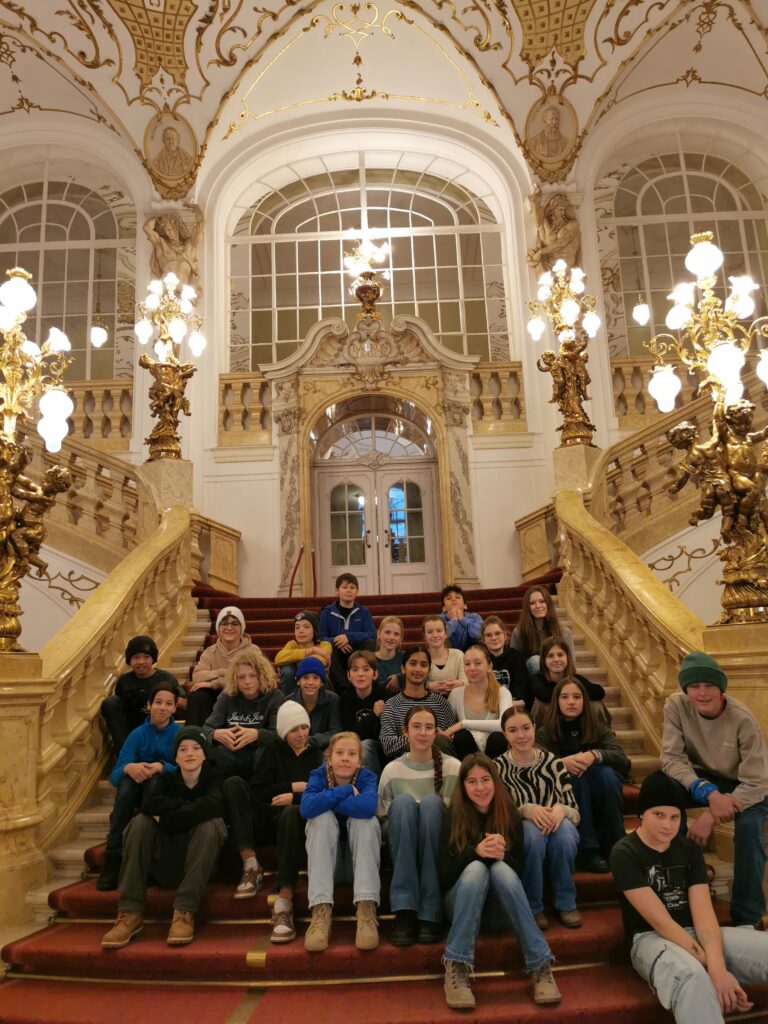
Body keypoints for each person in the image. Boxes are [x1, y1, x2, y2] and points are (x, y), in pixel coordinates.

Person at [610, 771, 768, 1024]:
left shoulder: (689, 849)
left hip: (697, 932)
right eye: (658, 815)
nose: (667, 825)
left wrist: (717, 967)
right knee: (692, 975)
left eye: (675, 817)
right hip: (651, 938)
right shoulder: (624, 852)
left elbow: (704, 914)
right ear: (641, 814)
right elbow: (661, 922)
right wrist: (714, 970)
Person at [438, 754, 561, 1010]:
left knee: (501, 870)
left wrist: (502, 856)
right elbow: (444, 874)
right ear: (463, 786)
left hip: (499, 910)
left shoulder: (508, 812)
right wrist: (476, 852)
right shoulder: (454, 814)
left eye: (485, 780)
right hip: (462, 905)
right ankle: (457, 964)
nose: (480, 788)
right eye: (472, 781)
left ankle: (540, 965)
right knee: (476, 869)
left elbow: (518, 874)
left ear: (495, 781)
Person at [661, 650, 768, 927]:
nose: (702, 693)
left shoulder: (742, 719)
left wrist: (710, 815)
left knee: (749, 828)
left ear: (721, 688)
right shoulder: (676, 705)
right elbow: (671, 759)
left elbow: (757, 781)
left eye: (709, 685)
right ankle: (682, 887)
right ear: (686, 689)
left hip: (749, 785)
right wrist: (707, 792)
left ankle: (748, 918)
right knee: (660, 789)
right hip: (706, 779)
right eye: (694, 686)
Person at [101, 726, 226, 950]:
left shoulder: (214, 779)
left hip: (200, 863)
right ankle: (130, 912)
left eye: (196, 748)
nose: (190, 754)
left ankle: (184, 911)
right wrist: (191, 810)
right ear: (175, 757)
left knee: (211, 824)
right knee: (140, 823)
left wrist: (168, 817)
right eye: (183, 749)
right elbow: (150, 805)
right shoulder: (166, 780)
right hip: (167, 859)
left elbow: (214, 806)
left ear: (205, 754)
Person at [223, 702, 322, 942]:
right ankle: (250, 864)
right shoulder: (272, 750)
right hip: (268, 816)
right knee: (233, 784)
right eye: (294, 729)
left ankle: (284, 900)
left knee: (291, 812)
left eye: (304, 728)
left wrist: (293, 797)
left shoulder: (317, 756)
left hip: (297, 822)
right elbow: (260, 791)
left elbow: (322, 794)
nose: (301, 734)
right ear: (284, 732)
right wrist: (292, 786)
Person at [378, 705, 461, 946]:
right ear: (405, 731)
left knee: (431, 805)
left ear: (436, 732)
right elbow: (382, 819)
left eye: (429, 727)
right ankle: (405, 909)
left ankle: (430, 911)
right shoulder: (392, 770)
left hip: (438, 839)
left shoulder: (453, 767)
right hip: (401, 837)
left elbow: (459, 817)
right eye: (416, 727)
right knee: (403, 803)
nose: (423, 732)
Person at [495, 706, 581, 930]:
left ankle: (566, 902)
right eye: (513, 730)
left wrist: (561, 809)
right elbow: (499, 814)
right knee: (532, 834)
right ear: (504, 734)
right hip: (520, 828)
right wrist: (526, 810)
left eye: (526, 728)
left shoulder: (553, 763)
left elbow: (574, 811)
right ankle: (532, 905)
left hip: (556, 824)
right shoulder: (497, 767)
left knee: (565, 833)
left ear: (534, 728)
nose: (521, 735)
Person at [537, 678, 629, 872]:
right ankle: (587, 849)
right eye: (565, 697)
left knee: (605, 774)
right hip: (564, 794)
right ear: (557, 702)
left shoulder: (598, 727)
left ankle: (616, 846)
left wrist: (594, 755)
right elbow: (536, 767)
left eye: (577, 697)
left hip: (601, 787)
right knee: (577, 777)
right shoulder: (545, 733)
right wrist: (561, 763)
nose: (571, 701)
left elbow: (622, 760)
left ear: (584, 701)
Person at [300, 732, 381, 952]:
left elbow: (368, 807)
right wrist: (344, 791)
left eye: (352, 754)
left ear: (360, 761)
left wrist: (326, 800)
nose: (345, 758)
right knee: (320, 818)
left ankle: (366, 910)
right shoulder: (318, 775)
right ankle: (320, 911)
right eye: (339, 753)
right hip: (329, 866)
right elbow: (306, 808)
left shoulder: (367, 777)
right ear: (329, 758)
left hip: (358, 866)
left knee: (366, 821)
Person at [97, 681, 181, 891]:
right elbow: (115, 776)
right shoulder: (137, 734)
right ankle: (113, 856)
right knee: (126, 785)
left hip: (164, 793)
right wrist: (129, 767)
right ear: (149, 705)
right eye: (158, 702)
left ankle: (150, 857)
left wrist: (162, 766)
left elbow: (186, 769)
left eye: (168, 704)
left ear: (174, 708)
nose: (163, 708)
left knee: (154, 780)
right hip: (135, 792)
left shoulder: (179, 734)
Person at [202, 651, 283, 778]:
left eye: (252, 676)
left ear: (261, 676)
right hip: (232, 752)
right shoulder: (227, 696)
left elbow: (280, 735)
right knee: (212, 754)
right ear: (235, 679)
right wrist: (215, 734)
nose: (247, 682)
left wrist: (257, 734)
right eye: (241, 677)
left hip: (261, 752)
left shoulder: (275, 696)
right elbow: (205, 729)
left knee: (268, 752)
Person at [101, 635, 183, 753]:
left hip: (159, 726)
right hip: (132, 728)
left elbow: (184, 703)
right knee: (110, 702)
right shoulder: (124, 681)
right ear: (129, 660)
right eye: (136, 657)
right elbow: (118, 714)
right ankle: (125, 752)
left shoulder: (166, 678)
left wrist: (155, 698)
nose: (141, 662)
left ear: (153, 659)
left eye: (146, 657)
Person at [378, 645, 457, 762]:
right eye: (413, 663)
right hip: (406, 765)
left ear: (429, 670)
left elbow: (451, 740)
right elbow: (387, 745)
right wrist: (428, 735)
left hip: (440, 765)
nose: (418, 669)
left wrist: (428, 737)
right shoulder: (392, 705)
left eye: (423, 665)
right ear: (403, 668)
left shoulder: (441, 703)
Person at [187, 606, 260, 726]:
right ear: (218, 628)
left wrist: (215, 683)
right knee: (198, 695)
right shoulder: (210, 651)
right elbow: (197, 676)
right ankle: (196, 734)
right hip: (216, 697)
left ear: (241, 627)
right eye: (224, 623)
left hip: (242, 695)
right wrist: (223, 672)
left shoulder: (253, 651)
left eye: (234, 624)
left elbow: (252, 681)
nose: (229, 628)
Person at [444, 644, 512, 759]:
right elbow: (449, 730)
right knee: (461, 736)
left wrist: (463, 724)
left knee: (498, 738)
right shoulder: (456, 694)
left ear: (489, 667)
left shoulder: (503, 693)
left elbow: (505, 725)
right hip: (466, 758)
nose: (472, 668)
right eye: (467, 664)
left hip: (495, 754)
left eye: (477, 663)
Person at [530, 636, 608, 724]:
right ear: (544, 660)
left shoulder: (575, 679)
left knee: (596, 704)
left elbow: (599, 692)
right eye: (550, 656)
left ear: (567, 657)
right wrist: (573, 694)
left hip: (578, 721)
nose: (556, 659)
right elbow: (543, 694)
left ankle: (601, 731)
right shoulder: (538, 679)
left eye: (560, 655)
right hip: (551, 723)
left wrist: (574, 696)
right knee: (540, 704)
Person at [319, 573, 377, 692]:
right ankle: (342, 687)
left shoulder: (364, 612)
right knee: (329, 646)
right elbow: (321, 637)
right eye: (344, 587)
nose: (348, 590)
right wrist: (337, 640)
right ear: (337, 590)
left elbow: (372, 634)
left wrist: (348, 637)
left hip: (356, 651)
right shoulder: (327, 612)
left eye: (352, 587)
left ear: (357, 591)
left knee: (370, 643)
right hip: (336, 653)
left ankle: (366, 680)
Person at [339, 649, 389, 775]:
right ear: (348, 675)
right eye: (355, 670)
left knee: (366, 745)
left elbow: (385, 735)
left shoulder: (384, 696)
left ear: (375, 674)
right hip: (353, 746)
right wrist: (374, 715)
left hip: (380, 749)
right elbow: (349, 734)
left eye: (366, 669)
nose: (360, 674)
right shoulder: (345, 698)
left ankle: (373, 786)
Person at [510, 586, 574, 674]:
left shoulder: (564, 632)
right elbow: (513, 664)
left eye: (542, 601)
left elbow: (571, 663)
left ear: (548, 604)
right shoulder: (519, 632)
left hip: (558, 677)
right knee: (536, 661)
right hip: (531, 678)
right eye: (532, 603)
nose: (538, 606)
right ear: (527, 607)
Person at [286, 657, 341, 751]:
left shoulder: (333, 699)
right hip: (296, 749)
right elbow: (286, 733)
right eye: (305, 677)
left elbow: (335, 732)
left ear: (321, 682)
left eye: (315, 678)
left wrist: (310, 741)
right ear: (298, 681)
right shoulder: (289, 702)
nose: (310, 682)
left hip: (323, 749)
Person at [480, 615, 531, 709]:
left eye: (497, 633)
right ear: (483, 640)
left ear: (505, 635)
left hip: (513, 707)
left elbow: (523, 697)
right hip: (488, 708)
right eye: (488, 635)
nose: (494, 638)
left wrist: (505, 705)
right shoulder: (480, 659)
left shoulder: (515, 656)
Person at [275, 611, 331, 695]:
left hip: (319, 686)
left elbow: (318, 661)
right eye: (297, 627)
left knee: (314, 668)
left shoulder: (324, 645)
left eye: (306, 627)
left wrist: (294, 659)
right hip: (296, 684)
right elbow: (278, 658)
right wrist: (311, 651)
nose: (300, 631)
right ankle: (290, 700)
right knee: (287, 670)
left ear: (315, 630)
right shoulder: (292, 644)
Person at [423, 615, 466, 695]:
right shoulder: (421, 657)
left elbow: (466, 681)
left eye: (439, 631)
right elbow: (416, 681)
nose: (435, 635)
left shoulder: (458, 655)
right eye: (430, 632)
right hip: (429, 701)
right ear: (425, 636)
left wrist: (460, 684)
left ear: (446, 634)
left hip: (456, 699)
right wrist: (428, 685)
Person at [439, 584, 482, 652]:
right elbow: (439, 636)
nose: (453, 599)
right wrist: (454, 621)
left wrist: (463, 619)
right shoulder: (439, 619)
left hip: (472, 653)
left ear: (465, 605)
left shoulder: (474, 617)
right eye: (449, 598)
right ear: (444, 608)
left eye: (457, 597)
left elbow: (480, 634)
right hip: (447, 654)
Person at [375, 615, 405, 691]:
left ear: (400, 638)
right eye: (387, 632)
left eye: (396, 634)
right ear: (379, 634)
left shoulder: (406, 657)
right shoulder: (368, 659)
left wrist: (400, 678)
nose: (391, 637)